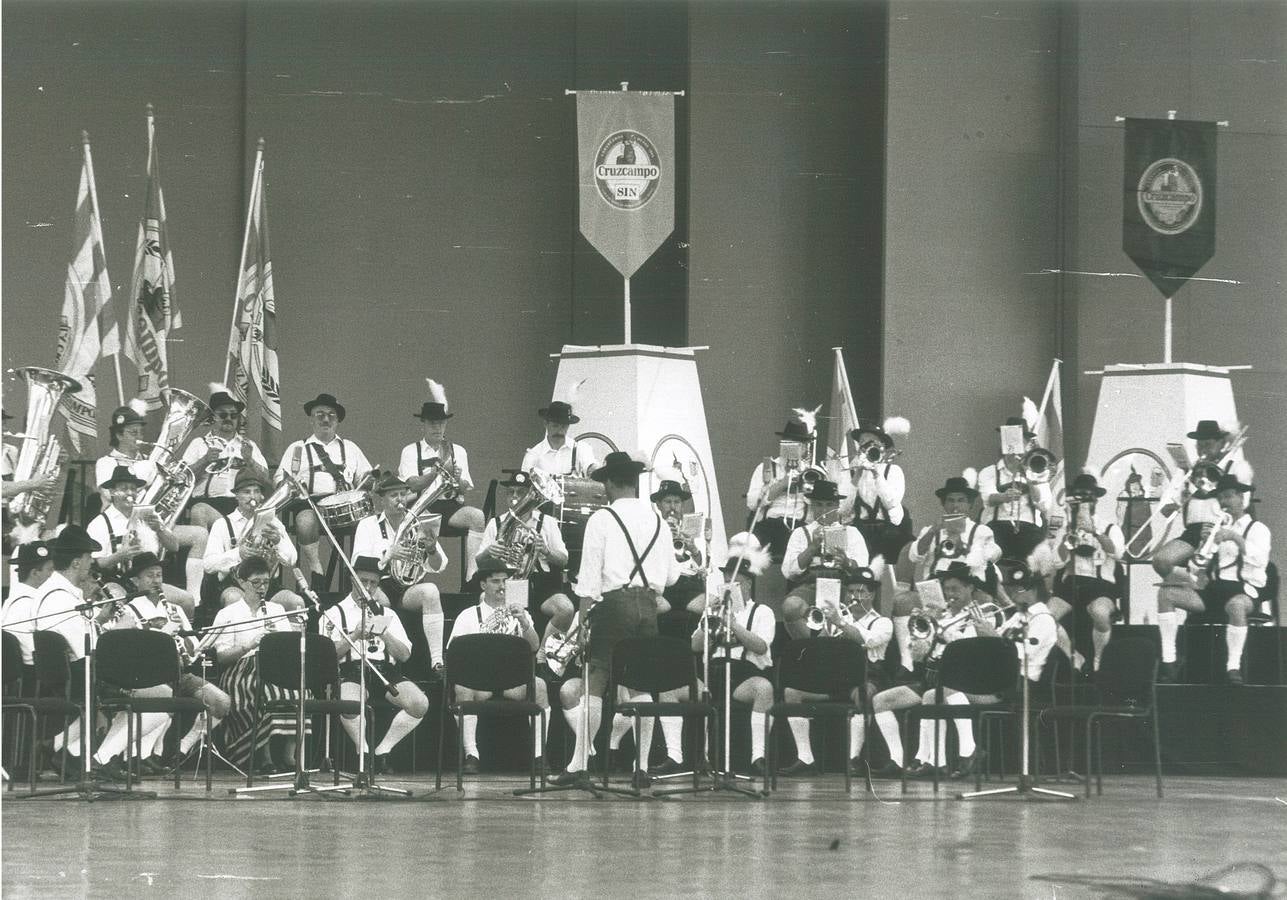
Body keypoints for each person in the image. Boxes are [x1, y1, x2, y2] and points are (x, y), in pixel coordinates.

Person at [549, 451, 679, 786]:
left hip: (613, 605)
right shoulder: (658, 520)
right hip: (648, 606)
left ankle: (579, 766)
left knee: (596, 680)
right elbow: (673, 576)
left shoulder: (603, 519)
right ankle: (643, 767)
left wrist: (580, 627)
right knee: (641, 685)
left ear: (608, 482)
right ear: (635, 482)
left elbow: (590, 581)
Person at [104, 552, 232, 775]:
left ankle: (181, 749)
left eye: (159, 575)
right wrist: (163, 634)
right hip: (145, 676)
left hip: (178, 672)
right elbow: (129, 651)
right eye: (149, 576)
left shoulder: (175, 610)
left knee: (221, 702)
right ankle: (142, 755)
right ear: (135, 581)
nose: (156, 581)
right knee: (165, 695)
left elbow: (194, 648)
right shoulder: (129, 610)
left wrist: (182, 640)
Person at [868, 562, 982, 778]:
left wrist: (942, 630)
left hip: (962, 679)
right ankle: (898, 760)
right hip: (933, 677)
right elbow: (919, 657)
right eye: (947, 589)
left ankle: (936, 760)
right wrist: (920, 635)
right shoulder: (942, 614)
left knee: (932, 695)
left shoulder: (977, 614)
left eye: (955, 589)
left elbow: (970, 650)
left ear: (970, 588)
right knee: (881, 701)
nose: (950, 594)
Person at [1156, 471, 1270, 685]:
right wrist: (1203, 544)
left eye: (1228, 496)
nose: (1224, 502)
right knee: (1166, 594)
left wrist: (1235, 537)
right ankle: (1169, 661)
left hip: (1243, 589)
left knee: (1236, 606)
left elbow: (1260, 560)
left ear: (1241, 498)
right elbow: (1198, 566)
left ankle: (1233, 668)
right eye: (1221, 498)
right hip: (1215, 591)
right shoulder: (1218, 527)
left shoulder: (1258, 528)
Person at [778, 564, 891, 777]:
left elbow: (864, 641)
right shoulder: (838, 618)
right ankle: (805, 757)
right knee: (791, 693)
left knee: (863, 695)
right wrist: (826, 629)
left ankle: (853, 759)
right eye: (850, 591)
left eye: (861, 592)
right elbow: (820, 648)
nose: (854, 596)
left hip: (866, 676)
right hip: (835, 676)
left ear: (872, 594)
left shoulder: (882, 622)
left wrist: (838, 622)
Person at [321, 556, 430, 775]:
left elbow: (405, 656)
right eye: (363, 582)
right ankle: (363, 751)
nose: (368, 588)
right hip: (351, 669)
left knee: (420, 704)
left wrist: (385, 634)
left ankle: (382, 751)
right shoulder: (334, 612)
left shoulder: (388, 613)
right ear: (352, 580)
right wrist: (355, 635)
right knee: (348, 704)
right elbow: (327, 655)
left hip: (385, 670)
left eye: (373, 583)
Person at [445, 558, 548, 774]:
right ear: (483, 585)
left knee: (540, 686)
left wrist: (524, 622)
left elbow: (535, 646)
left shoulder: (521, 612)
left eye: (505, 581)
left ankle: (539, 755)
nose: (502, 586)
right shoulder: (468, 615)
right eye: (495, 581)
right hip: (479, 682)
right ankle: (471, 754)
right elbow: (454, 654)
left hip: (513, 683)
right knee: (462, 689)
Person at [690, 533, 776, 776]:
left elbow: (760, 646)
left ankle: (758, 756)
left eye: (734, 582)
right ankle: (678, 756)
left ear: (747, 584)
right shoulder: (713, 609)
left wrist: (734, 624)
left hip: (742, 676)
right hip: (712, 674)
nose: (728, 586)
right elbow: (695, 647)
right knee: (671, 687)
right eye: (726, 580)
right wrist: (709, 620)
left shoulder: (762, 612)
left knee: (764, 688)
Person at [211, 557, 307, 772]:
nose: (262, 587)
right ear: (242, 583)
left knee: (301, 690)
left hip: (274, 664)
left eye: (266, 582)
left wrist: (277, 641)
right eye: (256, 583)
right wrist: (249, 645)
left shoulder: (277, 610)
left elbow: (289, 648)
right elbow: (222, 657)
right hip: (241, 668)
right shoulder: (228, 614)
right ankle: (263, 755)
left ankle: (289, 755)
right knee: (258, 688)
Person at [351, 472, 447, 673]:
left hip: (407, 588)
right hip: (379, 585)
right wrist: (387, 554)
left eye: (403, 495)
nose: (400, 500)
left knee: (431, 591)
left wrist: (431, 549)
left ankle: (437, 660)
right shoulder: (368, 524)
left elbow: (439, 566)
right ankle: (380, 659)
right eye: (394, 495)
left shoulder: (419, 523)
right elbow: (356, 563)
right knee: (377, 599)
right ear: (382, 499)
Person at [277, 393, 373, 587]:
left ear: (337, 421)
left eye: (331, 415)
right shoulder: (297, 448)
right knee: (304, 522)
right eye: (320, 414)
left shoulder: (351, 448)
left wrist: (370, 480)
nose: (326, 419)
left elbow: (367, 477)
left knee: (372, 524)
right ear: (311, 420)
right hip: (310, 504)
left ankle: (360, 575)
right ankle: (317, 571)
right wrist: (291, 485)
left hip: (346, 508)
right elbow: (280, 481)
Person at [31, 526, 104, 774]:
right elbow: (87, 650)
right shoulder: (62, 599)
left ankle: (61, 748)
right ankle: (101, 758)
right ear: (76, 562)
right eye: (88, 558)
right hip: (77, 676)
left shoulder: (54, 593)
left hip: (71, 675)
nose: (91, 564)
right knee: (156, 689)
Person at [398, 380, 485, 580]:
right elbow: (412, 484)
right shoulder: (411, 451)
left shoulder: (458, 450)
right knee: (417, 531)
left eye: (441, 423)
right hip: (420, 508)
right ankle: (411, 577)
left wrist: (457, 478)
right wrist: (438, 471)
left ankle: (472, 575)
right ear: (424, 425)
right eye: (432, 423)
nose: (437, 428)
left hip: (449, 508)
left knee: (477, 517)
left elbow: (464, 488)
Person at [86, 465, 195, 620]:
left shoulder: (148, 514)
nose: (130, 493)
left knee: (187, 601)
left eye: (133, 489)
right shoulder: (100, 523)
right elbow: (92, 565)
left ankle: (182, 641)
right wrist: (119, 556)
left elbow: (174, 547)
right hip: (116, 581)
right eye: (124, 489)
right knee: (117, 603)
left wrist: (160, 529)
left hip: (147, 579)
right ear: (112, 492)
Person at [201, 468, 303, 622]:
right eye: (247, 492)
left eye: (256, 492)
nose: (252, 497)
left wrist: (278, 541)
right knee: (236, 602)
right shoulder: (222, 524)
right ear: (236, 496)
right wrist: (238, 554)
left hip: (267, 585)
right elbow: (208, 564)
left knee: (296, 603)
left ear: (262, 496)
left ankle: (290, 645)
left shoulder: (273, 522)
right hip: (236, 585)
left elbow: (291, 560)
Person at [1150, 420, 1247, 579]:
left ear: (1221, 443)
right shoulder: (1189, 470)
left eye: (1208, 445)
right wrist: (1174, 503)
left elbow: (1243, 504)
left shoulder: (1234, 467)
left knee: (1214, 575)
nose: (1203, 450)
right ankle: (1190, 584)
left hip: (1222, 531)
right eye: (1199, 445)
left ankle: (1199, 585)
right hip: (1193, 533)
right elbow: (1167, 508)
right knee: (1161, 560)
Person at [1049, 472, 1125, 672]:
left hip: (1100, 585)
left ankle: (1099, 659)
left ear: (1095, 500)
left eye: (1087, 496)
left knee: (1100, 613)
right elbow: (1057, 563)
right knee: (1045, 618)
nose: (1083, 501)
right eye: (1079, 496)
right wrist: (1069, 537)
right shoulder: (1065, 528)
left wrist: (1095, 532)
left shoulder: (1110, 527)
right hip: (1071, 583)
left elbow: (1118, 554)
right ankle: (1074, 657)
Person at [476, 470, 573, 626]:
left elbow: (564, 560)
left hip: (541, 583)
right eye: (511, 492)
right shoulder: (496, 523)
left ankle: (542, 650)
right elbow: (479, 562)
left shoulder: (547, 522)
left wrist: (546, 551)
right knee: (492, 603)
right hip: (510, 583)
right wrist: (489, 552)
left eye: (521, 493)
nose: (515, 496)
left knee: (566, 608)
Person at [780, 479, 870, 639]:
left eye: (829, 505)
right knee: (790, 606)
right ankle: (817, 643)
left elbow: (864, 572)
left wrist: (846, 562)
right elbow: (788, 572)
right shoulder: (801, 533)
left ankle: (835, 643)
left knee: (861, 605)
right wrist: (812, 548)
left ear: (837, 506)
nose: (824, 510)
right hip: (810, 586)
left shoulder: (852, 532)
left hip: (843, 587)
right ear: (812, 506)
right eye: (819, 505)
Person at [180, 383, 271, 524]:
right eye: (223, 414)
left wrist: (250, 461)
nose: (229, 418)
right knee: (199, 511)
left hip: (241, 505)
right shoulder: (199, 443)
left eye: (233, 415)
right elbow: (182, 479)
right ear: (213, 417)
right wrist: (204, 460)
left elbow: (266, 480)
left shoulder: (248, 445)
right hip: (208, 504)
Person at [977, 417, 1053, 563]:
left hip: (1029, 532)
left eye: (1019, 442)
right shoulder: (990, 472)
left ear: (1027, 445)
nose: (1014, 447)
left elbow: (1044, 505)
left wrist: (1030, 479)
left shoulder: (1037, 472)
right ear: (1003, 443)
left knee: (1034, 562)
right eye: (1010, 441)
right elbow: (988, 498)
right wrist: (1004, 497)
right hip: (997, 529)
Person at [842, 417, 913, 564]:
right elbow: (843, 509)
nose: (866, 446)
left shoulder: (893, 470)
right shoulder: (852, 472)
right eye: (862, 443)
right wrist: (857, 474)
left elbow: (892, 502)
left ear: (882, 446)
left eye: (871, 443)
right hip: (860, 533)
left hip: (888, 533)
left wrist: (876, 473)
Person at [745, 416, 814, 561]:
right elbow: (751, 503)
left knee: (804, 561)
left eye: (800, 445)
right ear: (782, 445)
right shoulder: (766, 467)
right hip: (768, 527)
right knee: (743, 554)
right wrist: (783, 482)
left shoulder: (813, 472)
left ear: (805, 448)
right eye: (789, 443)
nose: (794, 449)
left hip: (799, 527)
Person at [2, 541, 56, 675]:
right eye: (49, 569)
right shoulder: (32, 604)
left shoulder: (10, 601)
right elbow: (35, 655)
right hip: (33, 676)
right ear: (35, 573)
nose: (52, 574)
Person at [653, 477, 705, 613]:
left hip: (688, 586)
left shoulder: (692, 528)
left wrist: (693, 549)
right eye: (667, 502)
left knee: (714, 605)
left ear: (682, 505)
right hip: (663, 585)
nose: (672, 507)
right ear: (658, 505)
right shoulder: (652, 529)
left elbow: (701, 567)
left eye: (677, 502)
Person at [520, 398, 597, 477]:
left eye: (564, 427)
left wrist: (594, 471)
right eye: (555, 426)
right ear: (546, 423)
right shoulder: (533, 455)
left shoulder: (581, 449)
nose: (560, 431)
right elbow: (523, 485)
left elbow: (591, 467)